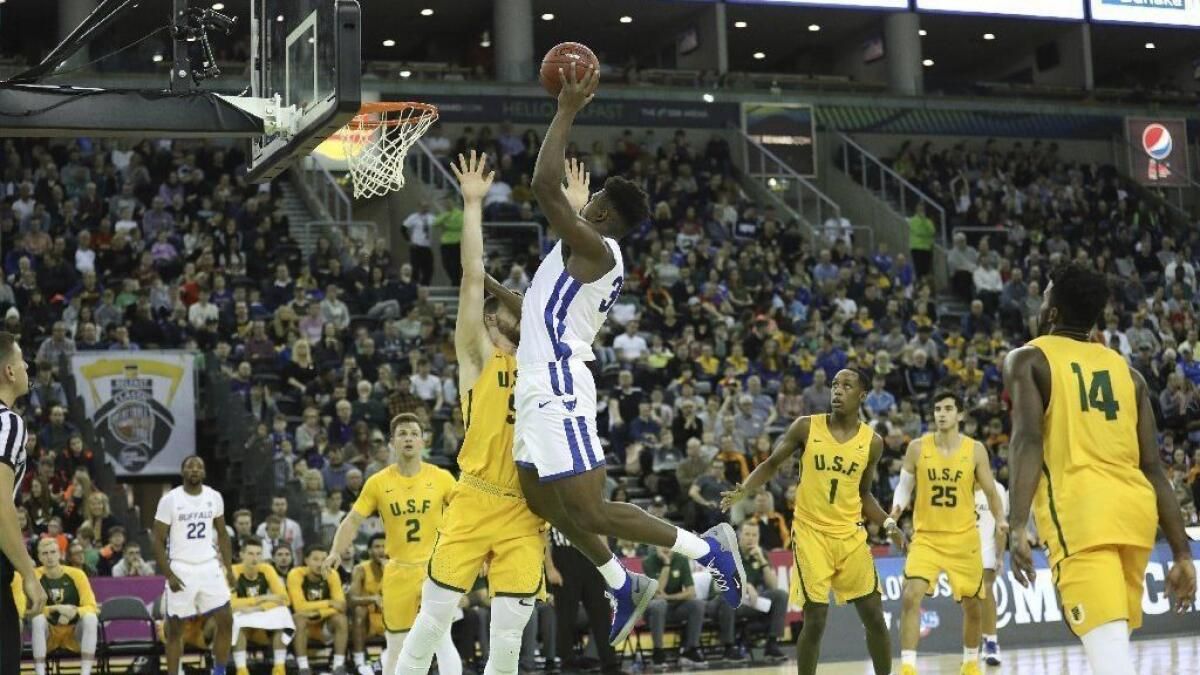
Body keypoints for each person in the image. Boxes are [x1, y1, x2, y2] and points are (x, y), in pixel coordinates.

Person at [489, 67, 744, 645]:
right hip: (536, 378)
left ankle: (710, 549)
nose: (584, 203)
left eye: (594, 199)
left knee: (592, 511)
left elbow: (544, 187)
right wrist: (488, 284)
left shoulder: (598, 247)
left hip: (557, 383)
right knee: (541, 501)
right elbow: (533, 309)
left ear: (601, 215)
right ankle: (622, 581)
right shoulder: (576, 251)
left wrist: (567, 109)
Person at [1005, 262, 1195, 675]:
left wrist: (1016, 524)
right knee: (1106, 640)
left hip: (1082, 517)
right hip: (1135, 519)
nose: (1040, 303)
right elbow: (1154, 469)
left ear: (1052, 312)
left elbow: (1027, 441)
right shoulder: (1130, 376)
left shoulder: (1029, 360)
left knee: (1110, 657)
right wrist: (1182, 552)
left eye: (1044, 296)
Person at [397, 152, 543, 675]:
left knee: (508, 641)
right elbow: (473, 275)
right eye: (511, 301)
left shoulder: (544, 361)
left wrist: (572, 212)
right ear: (490, 319)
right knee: (431, 625)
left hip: (528, 507)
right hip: (475, 496)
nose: (520, 302)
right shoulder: (480, 354)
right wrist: (473, 204)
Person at [720, 369, 906, 675]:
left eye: (846, 386)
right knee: (816, 616)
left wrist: (889, 525)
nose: (837, 391)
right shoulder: (806, 427)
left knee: (874, 615)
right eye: (834, 385)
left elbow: (864, 494)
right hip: (810, 532)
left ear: (862, 395)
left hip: (850, 534)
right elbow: (771, 463)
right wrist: (745, 489)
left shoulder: (872, 443)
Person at [324, 414, 459, 675]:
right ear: (392, 443)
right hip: (398, 569)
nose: (408, 438)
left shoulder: (442, 478)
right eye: (402, 434)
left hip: (435, 570)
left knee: (442, 639)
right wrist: (335, 552)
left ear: (423, 441)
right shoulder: (378, 482)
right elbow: (352, 521)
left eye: (413, 433)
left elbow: (466, 519)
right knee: (396, 642)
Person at [889, 390, 1008, 675]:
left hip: (963, 538)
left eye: (947, 408)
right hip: (927, 537)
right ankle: (907, 666)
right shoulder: (917, 447)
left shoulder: (975, 449)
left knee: (973, 606)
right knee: (910, 595)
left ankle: (969, 662)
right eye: (937, 408)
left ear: (960, 414)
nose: (941, 413)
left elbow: (991, 491)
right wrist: (894, 515)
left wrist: (1001, 519)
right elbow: (904, 488)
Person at [152, 455, 235, 675]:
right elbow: (157, 539)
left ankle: (219, 671)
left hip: (209, 566)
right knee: (175, 629)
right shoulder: (170, 499)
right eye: (190, 466)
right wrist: (168, 573)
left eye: (199, 466)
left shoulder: (214, 497)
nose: (195, 470)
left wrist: (230, 568)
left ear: (205, 473)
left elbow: (223, 535)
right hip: (182, 567)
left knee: (226, 620)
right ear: (182, 472)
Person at [0, 332, 46, 675]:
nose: (27, 365)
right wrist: (29, 573)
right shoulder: (7, 422)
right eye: (20, 359)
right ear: (9, 372)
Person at [712, 522, 789, 662]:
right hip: (726, 602)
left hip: (750, 602)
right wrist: (746, 586)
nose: (751, 538)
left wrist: (762, 560)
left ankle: (771, 645)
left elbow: (774, 585)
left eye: (754, 535)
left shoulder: (761, 554)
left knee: (780, 595)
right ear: (739, 535)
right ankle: (729, 648)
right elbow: (720, 585)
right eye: (747, 534)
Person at [30, 537, 99, 675]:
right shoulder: (34, 576)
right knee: (37, 620)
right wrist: (57, 609)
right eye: (45, 553)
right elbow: (30, 610)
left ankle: (85, 673)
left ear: (60, 554)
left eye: (53, 552)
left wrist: (73, 612)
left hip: (73, 633)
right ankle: (40, 673)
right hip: (49, 633)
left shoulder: (77, 574)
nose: (50, 557)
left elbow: (92, 606)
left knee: (91, 618)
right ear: (39, 557)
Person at [229, 536, 292, 675]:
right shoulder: (232, 571)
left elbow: (284, 599)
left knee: (283, 614)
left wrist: (258, 606)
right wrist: (263, 598)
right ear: (241, 555)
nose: (254, 558)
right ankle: (242, 670)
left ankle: (279, 668)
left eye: (258, 554)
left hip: (260, 617)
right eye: (250, 554)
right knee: (236, 619)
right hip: (242, 619)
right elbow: (231, 604)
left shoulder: (267, 569)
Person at [288, 545, 349, 675]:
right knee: (299, 618)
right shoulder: (296, 574)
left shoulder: (332, 574)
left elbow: (342, 606)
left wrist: (319, 613)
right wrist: (329, 603)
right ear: (306, 560)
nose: (320, 563)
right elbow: (299, 607)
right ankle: (303, 668)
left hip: (324, 627)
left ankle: (338, 667)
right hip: (303, 627)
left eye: (324, 559)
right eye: (315, 559)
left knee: (341, 619)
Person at [642, 545, 707, 667]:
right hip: (652, 611)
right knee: (659, 604)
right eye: (661, 543)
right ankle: (658, 651)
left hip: (674, 609)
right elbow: (657, 592)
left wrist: (668, 597)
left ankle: (690, 649)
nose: (665, 547)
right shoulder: (648, 562)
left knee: (697, 604)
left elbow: (691, 592)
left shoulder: (681, 560)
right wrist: (666, 565)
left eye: (669, 543)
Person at [974, 476, 1009, 665]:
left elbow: (1000, 526)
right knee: (969, 602)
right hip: (959, 549)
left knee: (986, 590)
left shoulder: (997, 489)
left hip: (985, 547)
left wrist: (1000, 557)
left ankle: (991, 644)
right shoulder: (958, 481)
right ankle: (972, 647)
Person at [349, 534, 388, 675]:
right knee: (360, 610)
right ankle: (359, 662)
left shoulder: (396, 568)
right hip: (368, 621)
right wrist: (373, 599)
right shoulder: (360, 569)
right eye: (377, 547)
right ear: (369, 550)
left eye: (384, 546)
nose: (381, 550)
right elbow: (352, 599)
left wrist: (389, 571)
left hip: (390, 618)